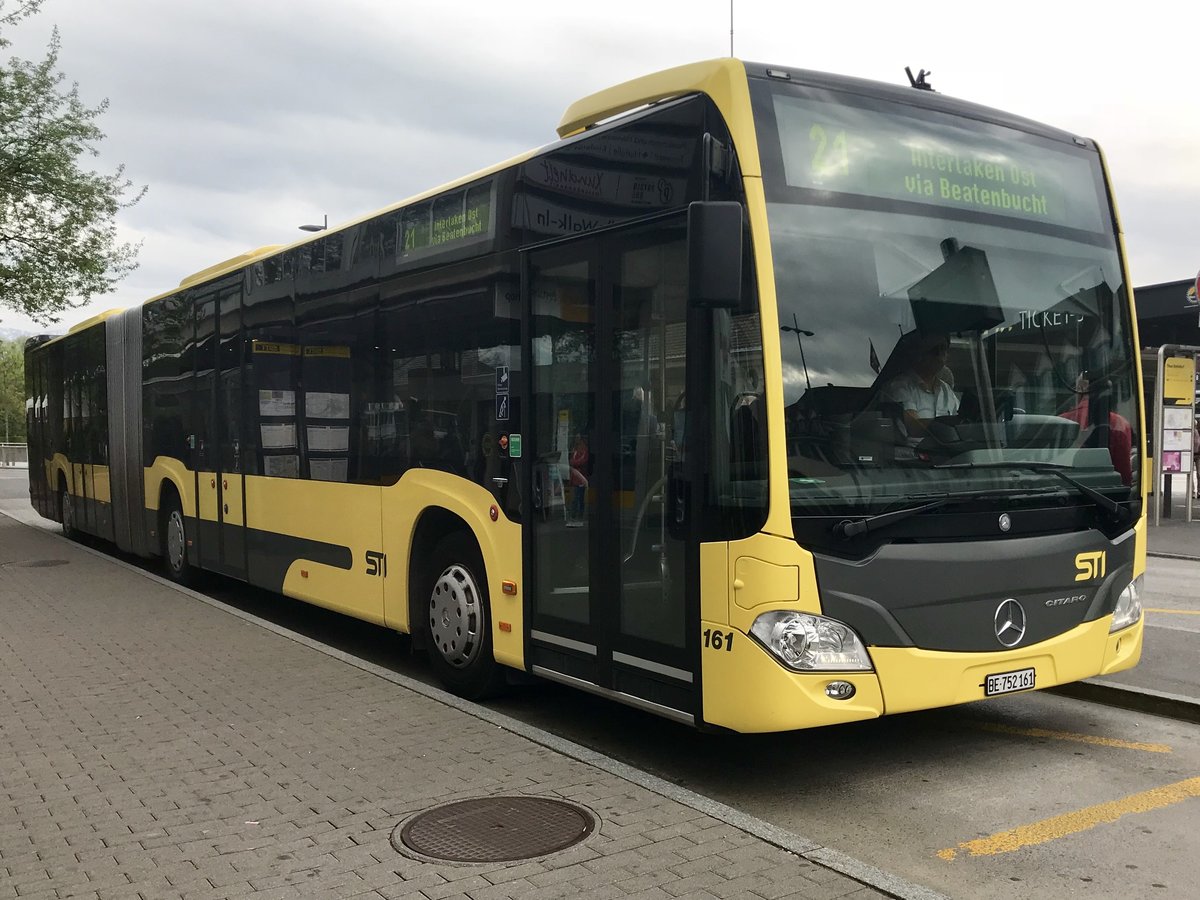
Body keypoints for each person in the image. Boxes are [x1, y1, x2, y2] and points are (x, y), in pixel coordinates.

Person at [879, 332, 959, 441]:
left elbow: (960, 422)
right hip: (911, 454)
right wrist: (944, 427)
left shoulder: (947, 390)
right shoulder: (899, 386)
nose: (940, 354)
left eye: (944, 349)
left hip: (945, 453)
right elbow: (913, 426)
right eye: (934, 349)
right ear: (920, 352)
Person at [567, 434, 589, 526]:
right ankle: (574, 515)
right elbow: (572, 460)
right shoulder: (575, 450)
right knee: (575, 498)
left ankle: (578, 515)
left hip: (580, 478)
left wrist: (573, 463)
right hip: (575, 478)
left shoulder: (584, 450)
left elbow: (582, 461)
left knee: (579, 498)